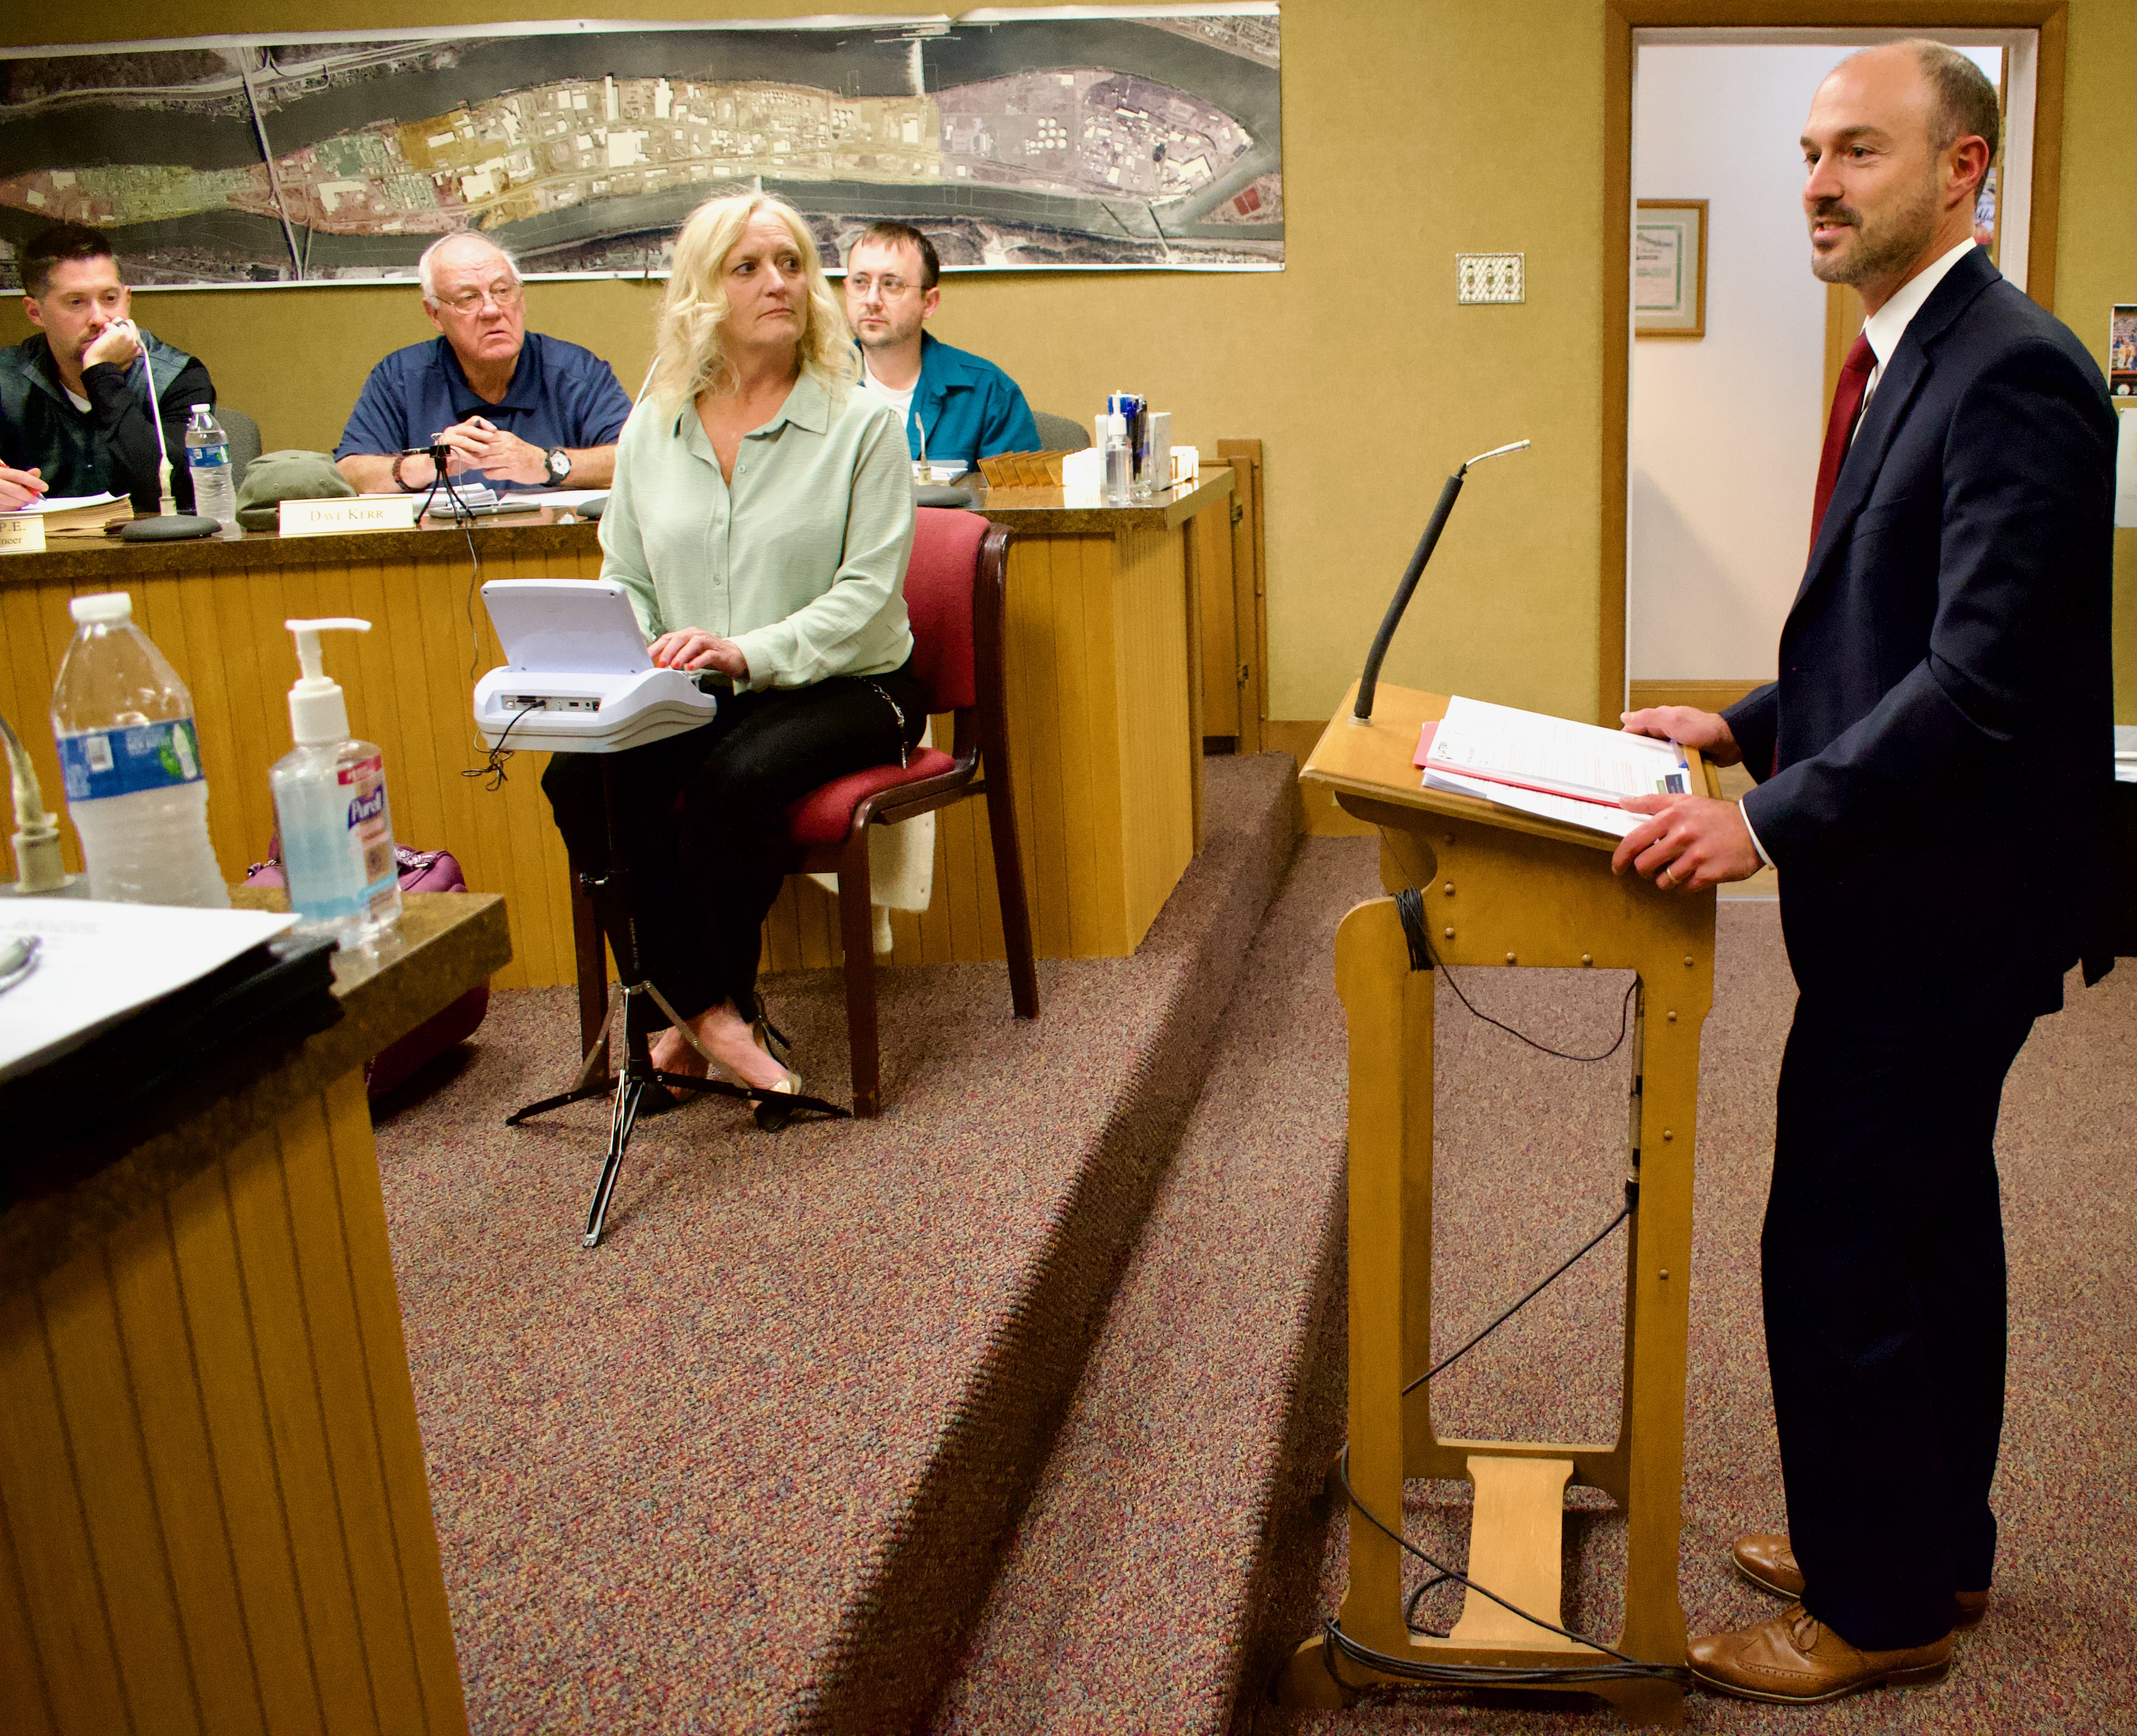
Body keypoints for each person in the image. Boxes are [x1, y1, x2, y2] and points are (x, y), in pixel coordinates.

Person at [1610, 42, 2115, 1706]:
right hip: (1920, 895)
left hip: (1944, 914)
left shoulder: (2014, 372)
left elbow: (1978, 685)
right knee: (1923, 1230)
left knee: (1833, 1242)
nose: (1819, 185)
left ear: (1964, 171)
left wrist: (1757, 822)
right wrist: (1754, 727)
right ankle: (1930, 1535)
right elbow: (1881, 635)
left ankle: (1876, 1599)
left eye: (1862, 154)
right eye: (1810, 154)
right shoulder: (1909, 354)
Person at [541, 192, 923, 1097]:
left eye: (790, 263)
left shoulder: (862, 420)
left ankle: (692, 1020)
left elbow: (868, 600)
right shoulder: (655, 423)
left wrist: (744, 651)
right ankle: (710, 1014)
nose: (778, 283)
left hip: (855, 684)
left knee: (734, 784)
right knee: (579, 772)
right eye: (747, 267)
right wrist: (633, 643)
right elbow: (624, 570)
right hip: (709, 688)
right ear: (701, 291)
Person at [334, 232, 631, 495]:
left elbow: (633, 461)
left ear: (522, 299)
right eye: (468, 298)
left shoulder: (576, 372)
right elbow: (349, 473)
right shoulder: (401, 377)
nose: (491, 310)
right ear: (435, 315)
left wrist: (546, 464)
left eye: (503, 291)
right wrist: (428, 465)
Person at [1, 223, 216, 514]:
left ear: (127, 299)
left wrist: (102, 373)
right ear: (35, 312)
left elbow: (175, 492)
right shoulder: (6, 379)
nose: (99, 318)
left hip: (150, 552)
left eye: (110, 299)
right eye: (76, 302)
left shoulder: (177, 376)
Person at [842, 221, 1040, 471]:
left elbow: (1019, 504)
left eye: (891, 284)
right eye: (860, 282)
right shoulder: (815, 386)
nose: (871, 300)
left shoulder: (990, 393)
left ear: (929, 303)